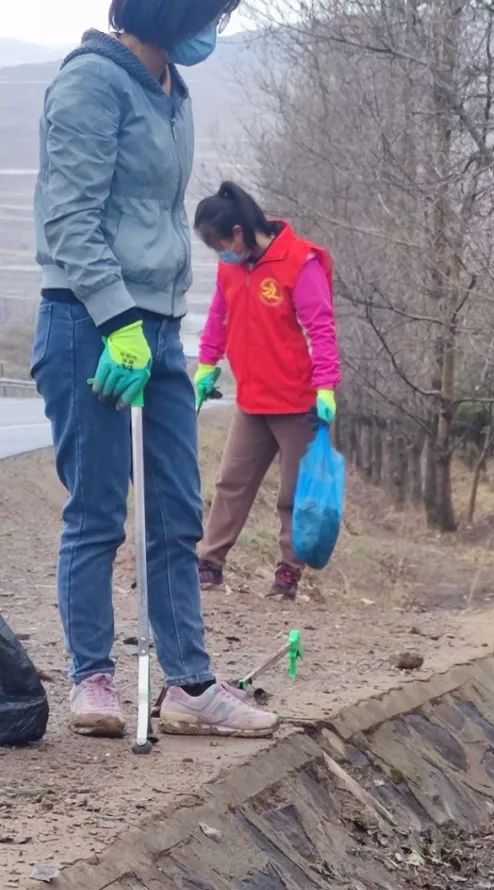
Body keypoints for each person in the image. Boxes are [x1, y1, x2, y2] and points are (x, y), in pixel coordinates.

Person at [32, 1, 278, 739]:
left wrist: (157, 329)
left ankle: (191, 685)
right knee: (99, 508)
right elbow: (69, 217)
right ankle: (92, 678)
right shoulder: (90, 84)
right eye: (214, 10)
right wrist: (115, 320)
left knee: (175, 511)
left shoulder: (172, 86)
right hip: (90, 323)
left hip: (160, 328)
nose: (219, 26)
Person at [192, 182, 341, 601]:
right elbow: (219, 317)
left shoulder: (300, 261)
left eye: (221, 244)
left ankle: (288, 575)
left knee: (294, 495)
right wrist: (207, 362)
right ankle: (209, 563)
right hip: (253, 398)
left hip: (297, 402)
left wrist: (326, 386)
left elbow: (321, 329)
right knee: (231, 484)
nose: (220, 254)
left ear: (239, 232)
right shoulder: (231, 268)